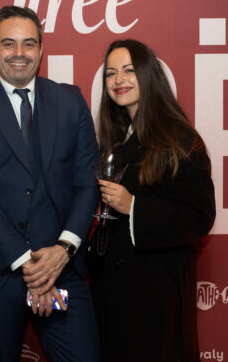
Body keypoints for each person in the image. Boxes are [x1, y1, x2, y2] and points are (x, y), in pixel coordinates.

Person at [0, 5, 101, 362]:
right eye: (9, 43)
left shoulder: (70, 101)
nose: (19, 53)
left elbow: (87, 183)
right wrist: (32, 269)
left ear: (41, 49)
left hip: (61, 268)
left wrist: (62, 251)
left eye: (29, 44)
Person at [89, 39, 216, 362]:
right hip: (113, 293)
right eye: (111, 73)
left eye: (129, 70)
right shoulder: (116, 139)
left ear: (148, 74)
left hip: (157, 296)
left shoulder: (181, 139)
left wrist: (134, 206)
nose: (118, 80)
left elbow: (199, 217)